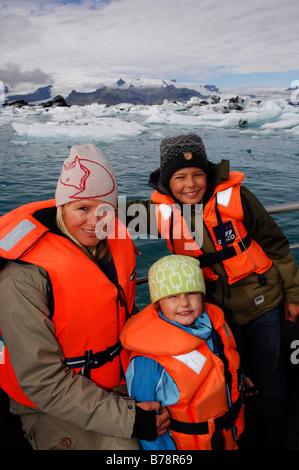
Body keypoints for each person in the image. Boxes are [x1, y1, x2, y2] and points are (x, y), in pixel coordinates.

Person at [125, 132, 299, 449]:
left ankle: (274, 440)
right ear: (167, 181)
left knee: (270, 382)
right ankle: (242, 435)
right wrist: (115, 238)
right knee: (231, 378)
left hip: (263, 303)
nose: (190, 185)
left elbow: (276, 245)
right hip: (214, 315)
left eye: (198, 175)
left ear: (208, 174)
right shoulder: (160, 213)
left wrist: (293, 295)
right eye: (180, 177)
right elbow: (105, 215)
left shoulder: (239, 198)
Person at [0, 144, 170, 450]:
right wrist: (129, 420)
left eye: (105, 209)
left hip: (116, 380)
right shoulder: (23, 277)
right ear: (61, 206)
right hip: (49, 403)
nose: (96, 221)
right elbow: (41, 381)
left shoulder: (112, 241)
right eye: (83, 208)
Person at [120, 254, 245, 450]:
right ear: (157, 303)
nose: (184, 302)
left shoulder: (214, 327)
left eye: (192, 293)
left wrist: (241, 377)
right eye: (172, 296)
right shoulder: (147, 358)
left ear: (203, 296)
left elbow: (222, 364)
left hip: (227, 435)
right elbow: (147, 423)